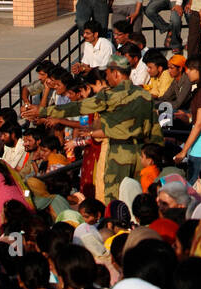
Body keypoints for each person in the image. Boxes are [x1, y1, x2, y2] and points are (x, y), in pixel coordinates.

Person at [23, 54, 159, 200]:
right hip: (140, 153)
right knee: (135, 194)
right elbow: (155, 130)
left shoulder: (108, 97)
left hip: (116, 153)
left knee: (111, 197)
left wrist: (43, 111)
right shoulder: (144, 95)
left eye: (94, 85)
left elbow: (78, 108)